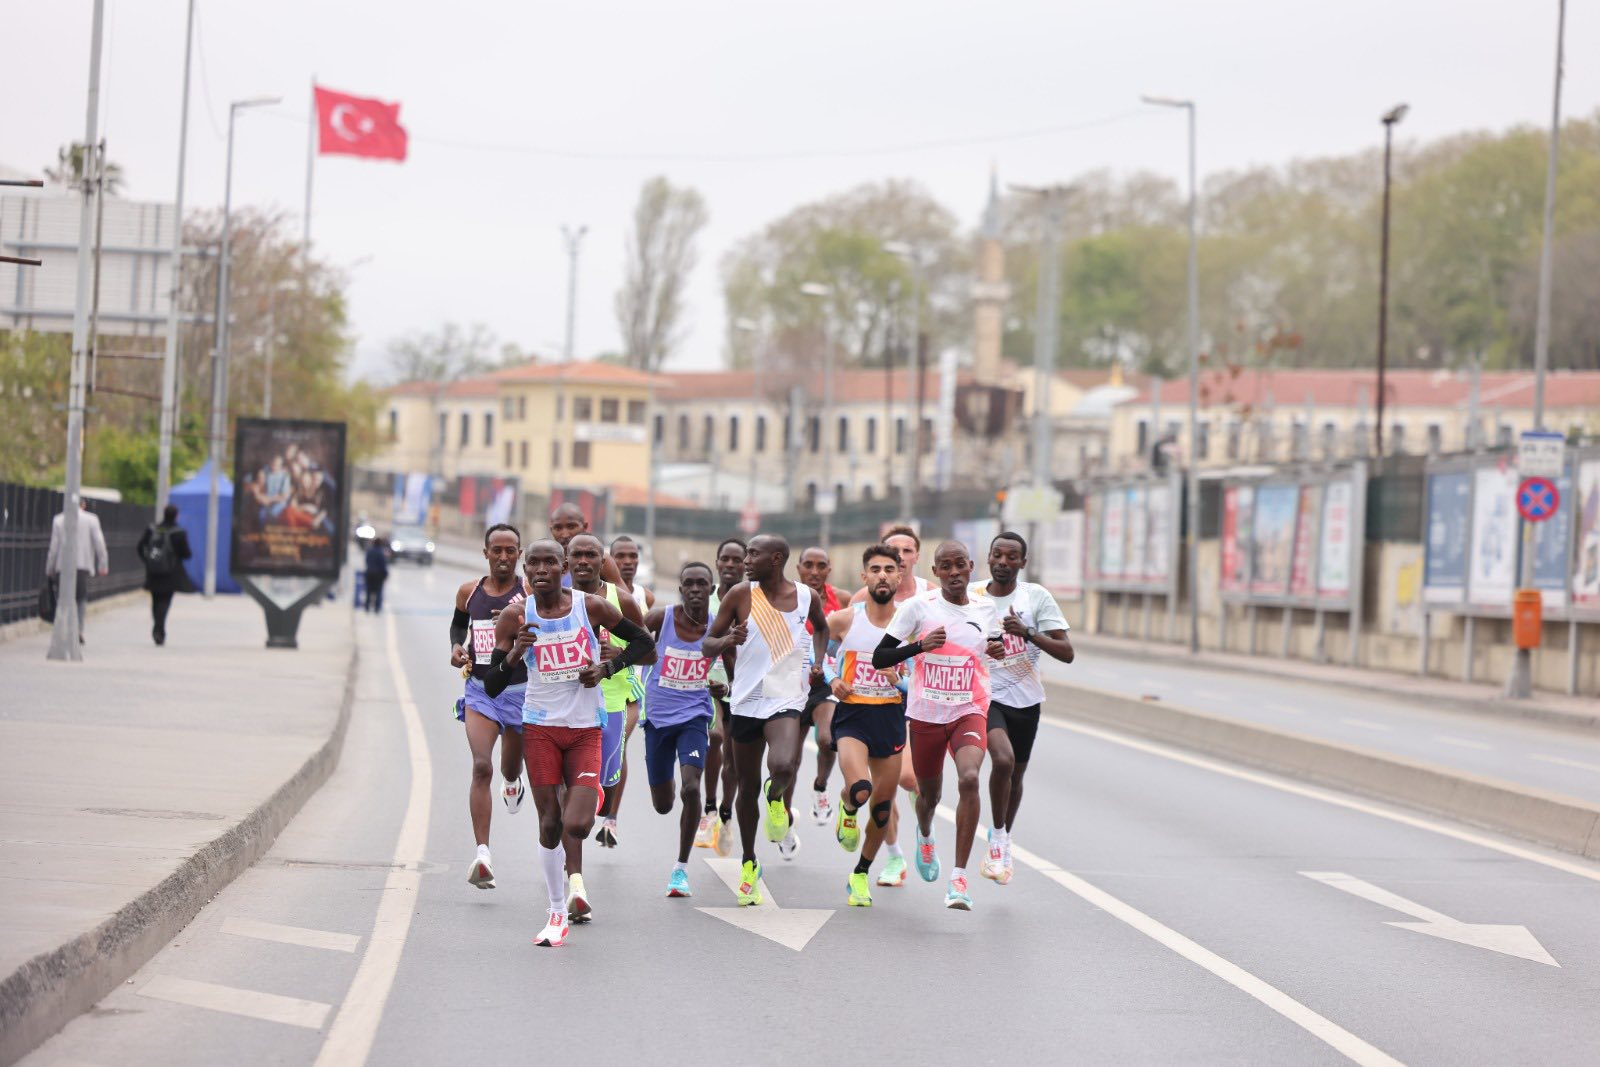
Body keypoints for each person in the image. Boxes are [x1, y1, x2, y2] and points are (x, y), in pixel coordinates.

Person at [483, 538, 654, 948]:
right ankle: (556, 911)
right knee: (549, 823)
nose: (541, 570)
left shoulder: (589, 607)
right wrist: (512, 656)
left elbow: (646, 645)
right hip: (540, 728)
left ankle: (581, 824)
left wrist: (609, 666)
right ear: (526, 571)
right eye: (534, 564)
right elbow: (491, 686)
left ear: (562, 568)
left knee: (577, 822)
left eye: (549, 563)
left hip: (584, 729)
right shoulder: (513, 616)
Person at [872, 541, 1003, 911]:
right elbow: (881, 655)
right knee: (928, 797)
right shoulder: (918, 608)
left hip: (970, 708)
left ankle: (959, 879)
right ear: (936, 573)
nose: (954, 573)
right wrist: (919, 646)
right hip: (927, 714)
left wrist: (998, 650)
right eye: (946, 567)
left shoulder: (984, 607)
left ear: (971, 567)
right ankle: (925, 834)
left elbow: (992, 647)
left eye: (960, 565)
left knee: (969, 778)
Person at [703, 534, 828, 904]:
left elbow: (820, 627)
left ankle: (777, 799)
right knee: (746, 785)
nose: (745, 560)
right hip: (744, 700)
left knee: (784, 763)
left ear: (776, 559)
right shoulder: (740, 595)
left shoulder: (806, 597)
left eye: (753, 554)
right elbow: (707, 644)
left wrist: (818, 661)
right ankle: (748, 862)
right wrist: (727, 640)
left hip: (785, 694)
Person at [971, 531, 1073, 884]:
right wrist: (985, 646)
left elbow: (1067, 652)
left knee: (1016, 776)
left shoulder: (1036, 598)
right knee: (1002, 759)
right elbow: (955, 640)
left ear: (1022, 563)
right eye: (997, 555)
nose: (1003, 562)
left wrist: (1028, 632)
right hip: (985, 696)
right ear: (988, 558)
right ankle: (997, 839)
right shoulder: (973, 596)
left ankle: (1004, 836)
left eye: (1011, 557)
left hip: (1026, 701)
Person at [825, 544, 911, 906]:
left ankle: (860, 874)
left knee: (880, 806)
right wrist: (831, 678)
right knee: (860, 789)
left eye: (889, 569)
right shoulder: (846, 619)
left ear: (899, 576)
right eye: (874, 569)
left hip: (890, 720)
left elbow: (922, 676)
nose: (882, 575)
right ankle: (847, 808)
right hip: (852, 718)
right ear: (864, 577)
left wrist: (899, 682)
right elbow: (814, 654)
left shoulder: (912, 622)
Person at [448, 523, 528, 890]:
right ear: (486, 553)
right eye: (496, 550)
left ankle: (513, 782)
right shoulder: (469, 592)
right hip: (481, 690)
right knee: (481, 767)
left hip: (523, 692)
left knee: (509, 769)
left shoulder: (528, 592)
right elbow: (458, 627)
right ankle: (483, 855)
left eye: (510, 550)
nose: (503, 556)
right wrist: (456, 648)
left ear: (519, 554)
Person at [641, 562, 724, 897]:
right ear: (680, 589)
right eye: (688, 583)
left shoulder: (718, 626)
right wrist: (618, 655)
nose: (694, 589)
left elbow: (735, 668)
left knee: (691, 789)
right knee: (663, 802)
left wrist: (724, 690)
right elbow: (633, 641)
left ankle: (680, 869)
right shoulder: (660, 618)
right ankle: (668, 778)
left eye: (701, 583)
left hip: (695, 716)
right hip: (659, 719)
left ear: (711, 589)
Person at [564, 534, 645, 872]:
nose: (583, 562)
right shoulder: (551, 597)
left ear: (602, 561)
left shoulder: (621, 600)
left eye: (591, 555)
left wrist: (615, 660)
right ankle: (568, 867)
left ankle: (606, 813)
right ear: (568, 561)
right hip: (562, 705)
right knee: (568, 789)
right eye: (577, 555)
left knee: (605, 779)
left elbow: (647, 647)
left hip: (612, 700)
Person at [595, 534, 655, 843]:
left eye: (634, 556)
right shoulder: (596, 594)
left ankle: (611, 819)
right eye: (620, 556)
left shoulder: (644, 597)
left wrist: (623, 654)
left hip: (632, 687)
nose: (628, 562)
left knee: (620, 744)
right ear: (608, 561)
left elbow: (649, 647)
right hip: (599, 684)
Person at [693, 537, 746, 855]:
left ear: (746, 565)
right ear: (716, 563)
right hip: (708, 683)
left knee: (737, 758)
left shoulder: (756, 602)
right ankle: (709, 809)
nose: (729, 564)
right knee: (714, 736)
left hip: (744, 686)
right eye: (724, 559)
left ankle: (727, 812)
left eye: (736, 560)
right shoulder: (706, 602)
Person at [794, 546, 848, 827]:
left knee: (827, 739)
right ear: (798, 567)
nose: (814, 571)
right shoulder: (785, 598)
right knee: (789, 759)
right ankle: (784, 814)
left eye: (821, 565)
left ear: (829, 569)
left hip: (824, 684)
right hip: (791, 685)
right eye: (808, 565)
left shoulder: (842, 599)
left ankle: (820, 786)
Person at [45, 499, 109, 643]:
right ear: (83, 505)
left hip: (62, 565)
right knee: (80, 598)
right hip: (82, 565)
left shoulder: (59, 520)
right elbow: (99, 543)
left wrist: (50, 567)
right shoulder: (91, 519)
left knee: (63, 598)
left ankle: (64, 628)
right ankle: (78, 629)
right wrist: (103, 564)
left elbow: (53, 547)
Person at [136, 504, 193, 646]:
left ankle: (158, 627)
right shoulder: (179, 532)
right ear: (176, 515)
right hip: (170, 573)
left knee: (156, 600)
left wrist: (148, 561)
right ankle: (159, 629)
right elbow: (186, 554)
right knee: (165, 601)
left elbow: (140, 547)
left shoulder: (152, 529)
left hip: (153, 571)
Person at [363, 537, 390, 613]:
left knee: (368, 591)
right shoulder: (381, 553)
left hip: (369, 574)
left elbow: (366, 561)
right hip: (378, 575)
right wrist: (385, 574)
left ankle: (367, 606)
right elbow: (383, 565)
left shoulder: (370, 551)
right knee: (378, 592)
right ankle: (377, 608)